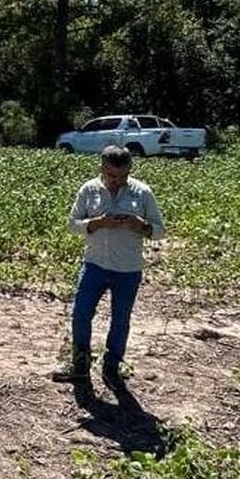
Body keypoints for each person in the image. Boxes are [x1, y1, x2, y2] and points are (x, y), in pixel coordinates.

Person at [54, 145, 166, 386]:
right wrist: (98, 222)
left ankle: (112, 367)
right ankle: (80, 364)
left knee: (120, 319)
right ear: (102, 169)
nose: (117, 181)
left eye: (123, 175)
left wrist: (142, 226)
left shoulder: (142, 193)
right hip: (94, 265)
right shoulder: (89, 189)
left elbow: (159, 231)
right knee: (81, 314)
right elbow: (72, 225)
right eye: (112, 175)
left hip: (128, 269)